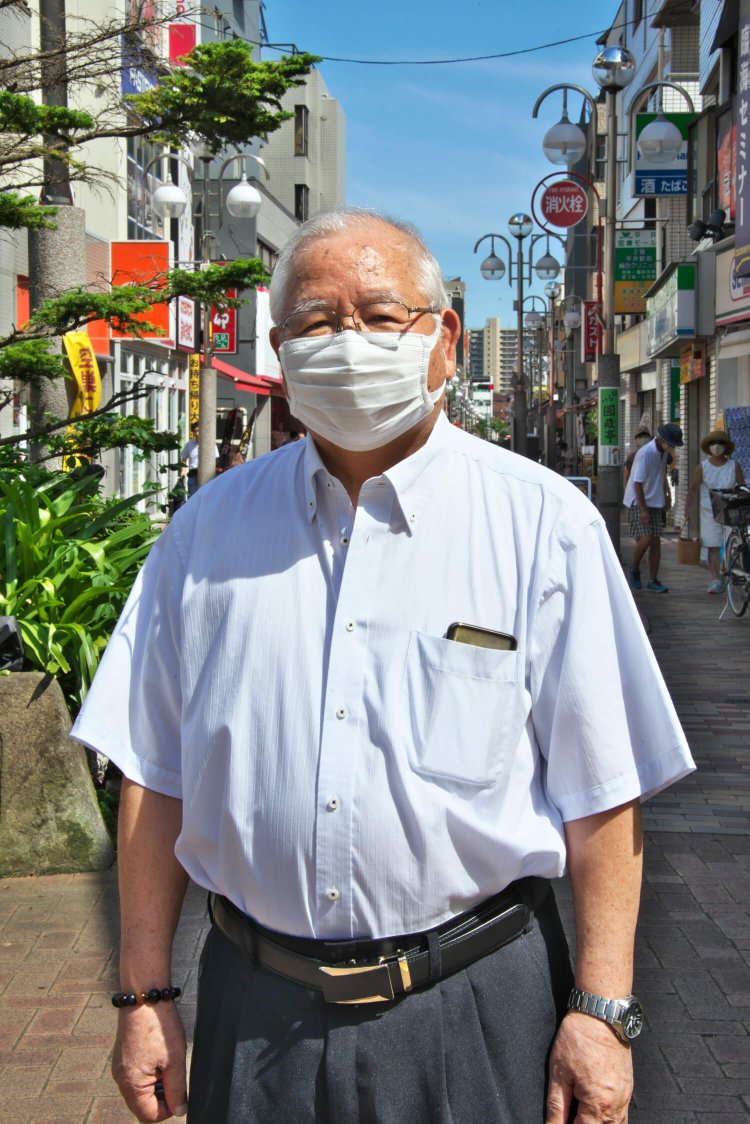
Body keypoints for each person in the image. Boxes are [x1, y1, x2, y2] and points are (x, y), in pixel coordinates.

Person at [72, 210, 694, 1124]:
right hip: (254, 1008)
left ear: (444, 341)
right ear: (279, 351)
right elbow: (153, 774)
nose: (347, 342)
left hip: (474, 1001)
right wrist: (143, 995)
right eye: (316, 323)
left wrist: (601, 1010)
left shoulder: (542, 526)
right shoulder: (206, 533)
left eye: (379, 314)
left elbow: (603, 791)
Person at [623, 422, 683, 594]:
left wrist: (665, 495)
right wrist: (643, 509)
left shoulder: (663, 453)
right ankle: (634, 568)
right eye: (671, 444)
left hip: (654, 500)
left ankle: (653, 579)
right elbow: (637, 483)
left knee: (656, 541)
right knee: (647, 537)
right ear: (661, 440)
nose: (672, 448)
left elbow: (660, 475)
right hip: (638, 500)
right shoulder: (646, 454)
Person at [684, 429, 745, 594]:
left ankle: (728, 574)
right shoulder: (702, 468)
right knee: (712, 546)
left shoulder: (734, 466)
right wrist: (687, 508)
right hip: (709, 512)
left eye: (720, 443)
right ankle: (715, 579)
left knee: (731, 545)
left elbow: (742, 487)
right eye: (713, 443)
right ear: (708, 447)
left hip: (731, 512)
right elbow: (693, 489)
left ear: (726, 447)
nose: (716, 446)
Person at [179, 423, 219, 497]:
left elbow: (215, 459)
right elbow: (184, 458)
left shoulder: (211, 443)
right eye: (195, 431)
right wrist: (183, 470)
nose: (197, 433)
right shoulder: (189, 444)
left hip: (207, 473)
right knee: (192, 496)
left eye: (199, 431)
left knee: (207, 496)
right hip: (193, 474)